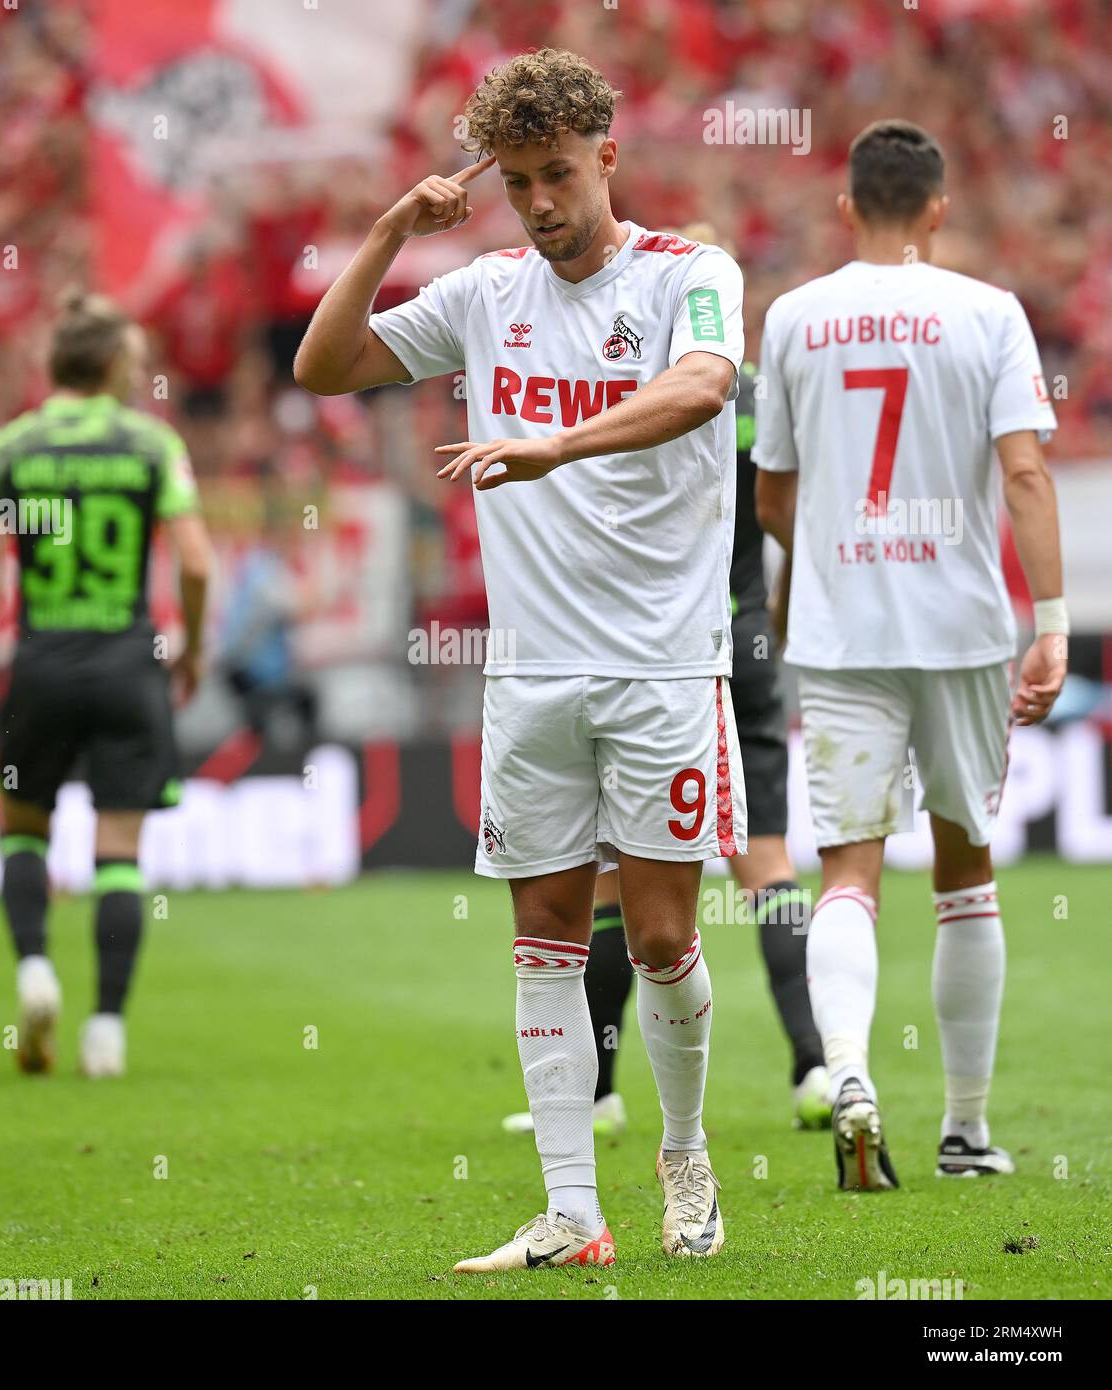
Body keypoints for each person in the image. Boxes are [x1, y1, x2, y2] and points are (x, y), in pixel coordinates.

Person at [296, 48, 747, 1269]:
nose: (540, 204)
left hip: (662, 666)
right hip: (531, 674)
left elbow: (706, 388)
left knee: (656, 938)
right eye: (516, 182)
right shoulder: (483, 291)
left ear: (606, 156)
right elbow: (324, 369)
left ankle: (685, 1150)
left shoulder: (689, 273)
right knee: (544, 932)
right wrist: (394, 227)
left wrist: (557, 445)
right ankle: (571, 1211)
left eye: (557, 175)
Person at [754, 120, 1066, 1188]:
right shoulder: (987, 314)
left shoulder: (793, 317)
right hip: (962, 631)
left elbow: (772, 492)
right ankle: (967, 1131)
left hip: (844, 634)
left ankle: (847, 1073)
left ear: (847, 207)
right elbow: (1023, 472)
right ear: (937, 209)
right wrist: (1056, 620)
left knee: (847, 868)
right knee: (964, 872)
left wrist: (823, 571)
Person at [502, 228, 828, 1137]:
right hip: (748, 628)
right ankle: (817, 1068)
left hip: (659, 645)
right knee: (765, 860)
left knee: (611, 881)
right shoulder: (758, 392)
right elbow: (785, 511)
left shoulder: (637, 390)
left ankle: (598, 1095)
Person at [0, 290, 213, 1079]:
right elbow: (197, 562)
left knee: (24, 830)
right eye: (133, 360)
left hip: (40, 666)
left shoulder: (11, 447)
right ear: (108, 364)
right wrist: (193, 649)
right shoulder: (149, 443)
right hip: (130, 667)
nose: (140, 372)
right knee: (119, 854)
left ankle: (35, 970)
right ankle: (106, 1029)